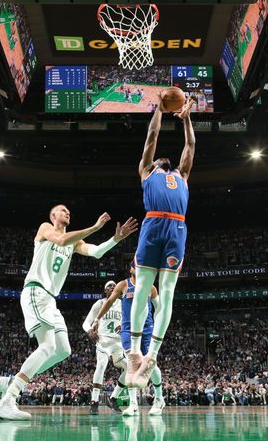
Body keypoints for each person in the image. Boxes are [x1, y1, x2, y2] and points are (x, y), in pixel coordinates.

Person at [0, 205, 138, 420]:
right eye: (62, 210)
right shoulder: (46, 229)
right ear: (53, 216)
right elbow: (60, 240)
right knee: (48, 345)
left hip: (50, 299)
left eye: (69, 211)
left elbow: (96, 252)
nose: (67, 212)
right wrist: (96, 227)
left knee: (63, 350)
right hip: (36, 291)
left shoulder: (74, 242)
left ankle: (12, 382)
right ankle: (8, 399)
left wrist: (115, 239)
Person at [128, 98, 196, 389]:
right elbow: (152, 136)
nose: (161, 157)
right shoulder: (147, 170)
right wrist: (159, 108)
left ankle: (152, 355)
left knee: (166, 294)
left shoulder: (182, 175)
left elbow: (190, 147)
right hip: (153, 224)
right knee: (141, 289)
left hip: (176, 226)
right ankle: (134, 352)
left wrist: (186, 119)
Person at [93, 261, 164, 416]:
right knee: (132, 364)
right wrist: (97, 319)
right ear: (131, 269)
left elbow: (160, 309)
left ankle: (159, 398)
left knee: (150, 364)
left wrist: (159, 328)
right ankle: (133, 405)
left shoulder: (151, 287)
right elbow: (109, 302)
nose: (140, 268)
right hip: (127, 330)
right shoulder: (123, 285)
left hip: (146, 330)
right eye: (137, 266)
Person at [82, 280, 129, 415]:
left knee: (129, 368)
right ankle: (94, 401)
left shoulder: (123, 304)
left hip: (118, 343)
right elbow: (86, 322)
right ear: (105, 290)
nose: (113, 287)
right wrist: (90, 330)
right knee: (102, 364)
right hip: (103, 340)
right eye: (109, 286)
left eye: (115, 286)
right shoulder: (100, 303)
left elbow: (128, 321)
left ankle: (113, 397)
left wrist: (125, 326)